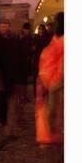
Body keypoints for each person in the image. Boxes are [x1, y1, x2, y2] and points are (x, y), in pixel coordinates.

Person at [35, 12, 64, 144]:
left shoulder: (55, 41)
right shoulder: (55, 41)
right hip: (56, 81)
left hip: (55, 81)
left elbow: (47, 61)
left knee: (54, 111)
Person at [0, 19, 22, 136]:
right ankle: (2, 119)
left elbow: (17, 55)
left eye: (6, 26)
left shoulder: (13, 39)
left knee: (10, 98)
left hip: (10, 73)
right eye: (2, 26)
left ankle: (9, 122)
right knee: (0, 98)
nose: (4, 28)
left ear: (8, 27)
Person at [19, 23, 34, 102]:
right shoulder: (20, 37)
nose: (26, 31)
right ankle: (21, 97)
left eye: (27, 29)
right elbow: (20, 49)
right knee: (21, 80)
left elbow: (31, 47)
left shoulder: (30, 37)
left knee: (25, 80)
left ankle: (24, 96)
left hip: (27, 61)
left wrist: (31, 51)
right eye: (25, 29)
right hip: (21, 62)